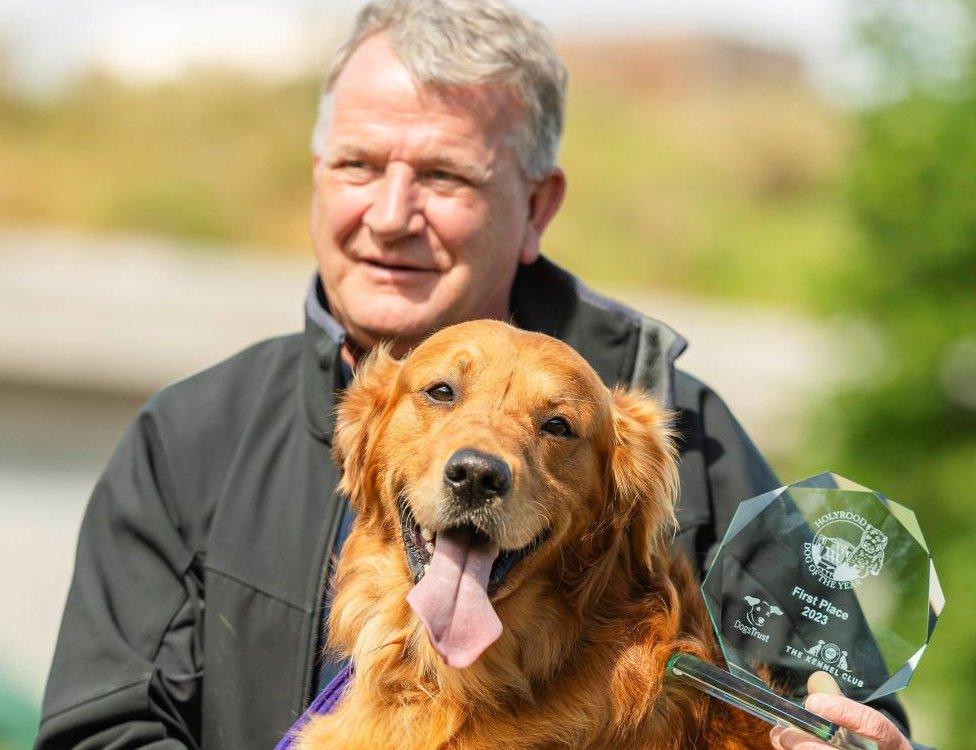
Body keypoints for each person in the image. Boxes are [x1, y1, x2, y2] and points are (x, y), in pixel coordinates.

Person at [35, 1, 918, 749]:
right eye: (357, 165)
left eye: (444, 175)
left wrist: (859, 736)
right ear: (316, 176)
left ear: (536, 206)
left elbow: (845, 709)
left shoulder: (679, 428)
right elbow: (102, 730)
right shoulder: (191, 435)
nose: (388, 215)